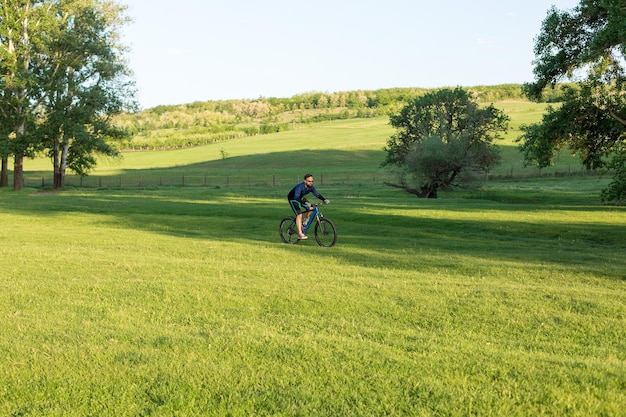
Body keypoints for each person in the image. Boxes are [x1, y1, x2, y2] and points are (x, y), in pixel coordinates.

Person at [287, 174, 329, 239]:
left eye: (312, 181)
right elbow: (296, 197)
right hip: (293, 199)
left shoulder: (311, 187)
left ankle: (302, 222)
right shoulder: (300, 187)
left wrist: (324, 199)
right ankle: (300, 234)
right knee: (299, 214)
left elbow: (317, 194)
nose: (311, 183)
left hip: (300, 198)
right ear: (305, 181)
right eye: (309, 181)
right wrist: (305, 202)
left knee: (312, 208)